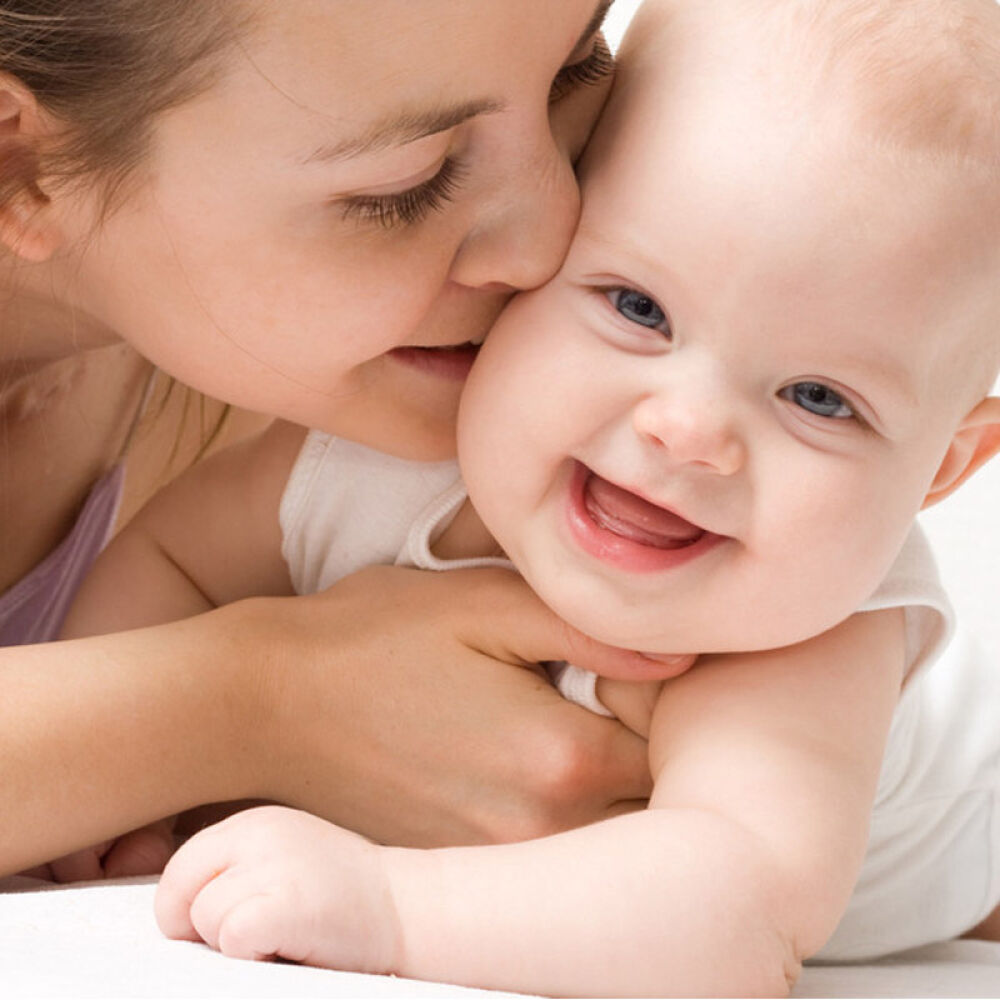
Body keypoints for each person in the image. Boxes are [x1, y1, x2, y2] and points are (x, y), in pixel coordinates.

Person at [64, 0, 1000, 993]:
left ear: (943, 465)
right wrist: (112, 808)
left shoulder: (810, 626)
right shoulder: (369, 451)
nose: (685, 431)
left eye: (820, 399)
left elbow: (734, 914)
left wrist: (387, 907)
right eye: (637, 307)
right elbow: (171, 560)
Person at [0, 0, 679, 880]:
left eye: (575, 71)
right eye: (410, 186)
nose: (554, 239)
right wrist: (269, 701)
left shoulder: (303, 371)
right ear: (20, 164)